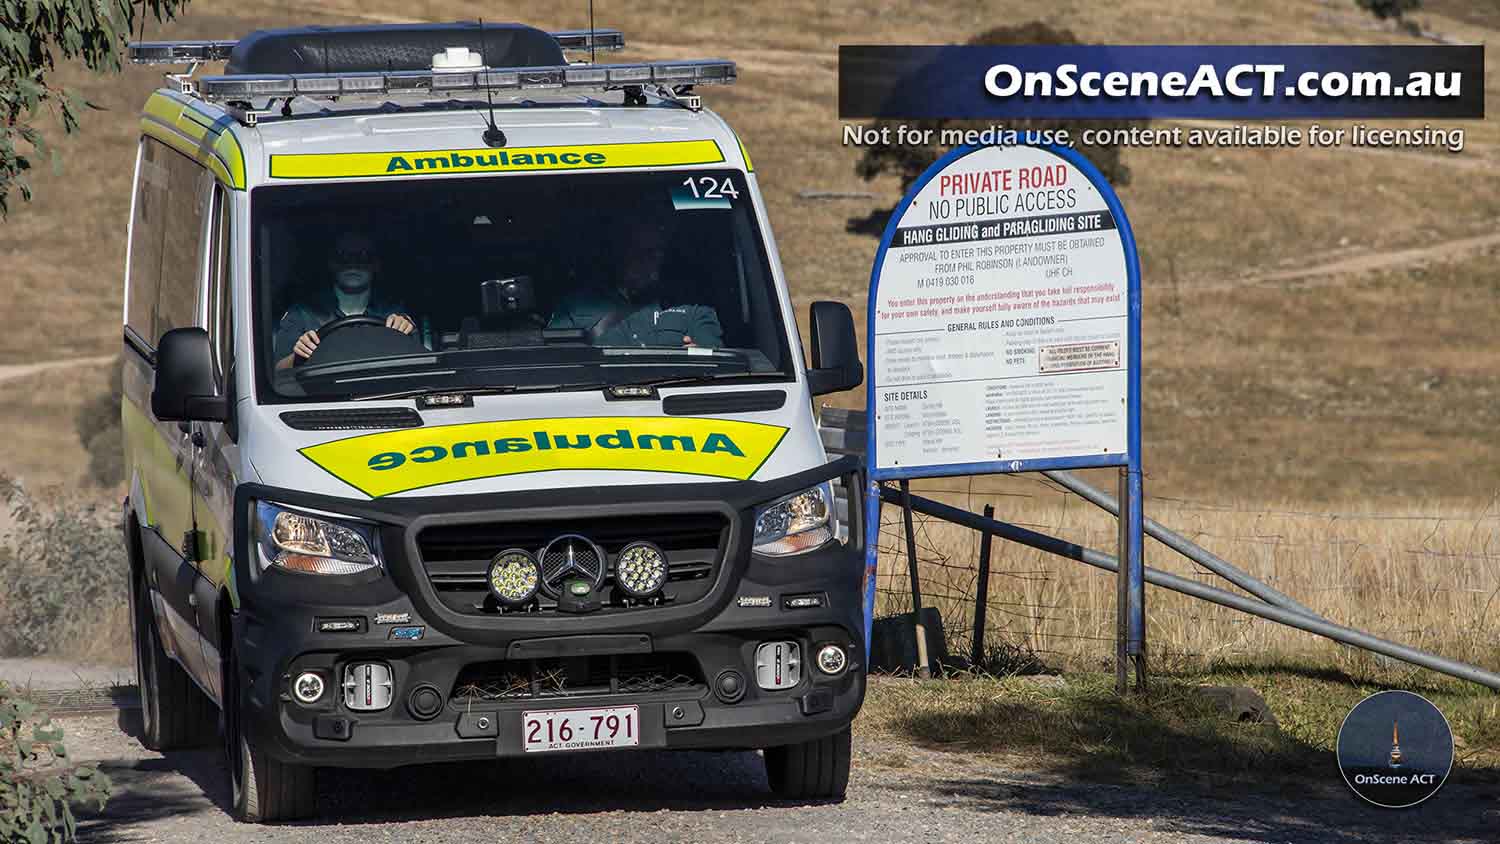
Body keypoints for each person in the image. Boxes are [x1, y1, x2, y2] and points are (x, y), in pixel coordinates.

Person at [548, 217, 723, 348]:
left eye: (655, 253)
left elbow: (715, 364)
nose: (649, 261)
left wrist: (697, 355)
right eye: (639, 251)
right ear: (619, 254)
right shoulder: (577, 307)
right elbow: (557, 362)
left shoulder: (692, 308)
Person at [273, 231, 417, 369]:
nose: (353, 264)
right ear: (331, 263)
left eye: (363, 256)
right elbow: (278, 370)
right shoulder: (302, 313)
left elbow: (418, 362)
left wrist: (405, 331)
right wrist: (298, 355)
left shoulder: (394, 312)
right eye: (343, 256)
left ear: (376, 264)